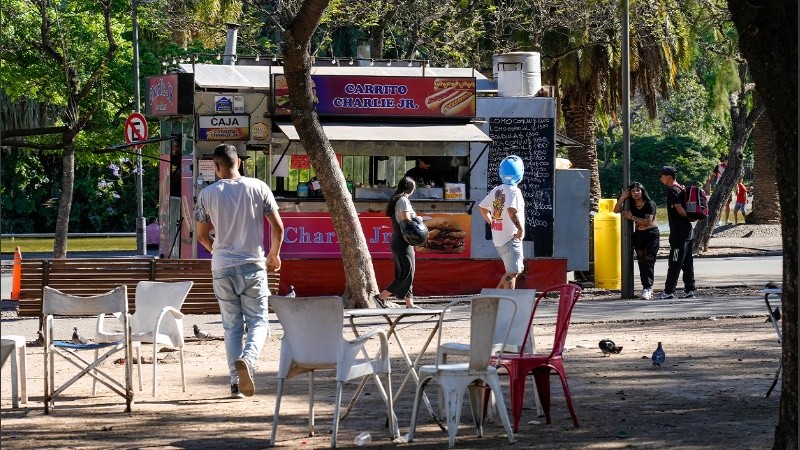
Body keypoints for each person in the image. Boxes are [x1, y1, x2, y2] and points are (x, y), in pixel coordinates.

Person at [193, 143, 284, 399]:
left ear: (218, 167)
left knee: (232, 326)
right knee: (259, 322)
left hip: (222, 267)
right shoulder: (259, 187)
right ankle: (249, 360)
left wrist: (216, 250)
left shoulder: (208, 194)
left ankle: (235, 382)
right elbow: (278, 227)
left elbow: (201, 236)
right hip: (253, 265)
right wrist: (274, 255)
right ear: (239, 163)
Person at [478, 155, 525, 289]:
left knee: (512, 271)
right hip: (511, 237)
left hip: (499, 238)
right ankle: (496, 299)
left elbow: (482, 207)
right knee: (513, 271)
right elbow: (511, 210)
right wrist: (520, 229)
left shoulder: (497, 190)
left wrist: (491, 222)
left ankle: (507, 302)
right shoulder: (514, 191)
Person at [374, 177, 419, 309]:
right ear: (410, 188)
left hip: (399, 239)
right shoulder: (403, 200)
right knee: (406, 273)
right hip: (403, 239)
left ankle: (409, 303)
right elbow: (406, 219)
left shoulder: (396, 200)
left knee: (407, 272)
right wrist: (418, 219)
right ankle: (381, 297)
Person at [614, 182, 659, 300]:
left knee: (649, 260)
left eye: (638, 190)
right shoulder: (631, 204)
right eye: (633, 191)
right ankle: (645, 287)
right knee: (641, 261)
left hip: (651, 235)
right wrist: (623, 197)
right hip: (639, 235)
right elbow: (616, 210)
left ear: (642, 191)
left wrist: (632, 217)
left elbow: (647, 221)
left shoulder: (650, 204)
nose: (635, 193)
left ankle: (648, 288)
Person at [658, 166, 695, 300]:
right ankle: (689, 290)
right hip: (688, 232)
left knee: (674, 262)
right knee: (687, 262)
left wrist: (686, 216)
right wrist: (690, 218)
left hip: (679, 234)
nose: (660, 178)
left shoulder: (672, 190)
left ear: (669, 177)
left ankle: (669, 291)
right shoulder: (680, 188)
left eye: (662, 176)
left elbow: (679, 209)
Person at [708, 156, 732, 225]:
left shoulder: (731, 167)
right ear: (724, 160)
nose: (728, 162)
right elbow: (713, 175)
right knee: (719, 203)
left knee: (727, 204)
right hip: (719, 186)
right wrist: (708, 183)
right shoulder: (718, 166)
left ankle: (727, 220)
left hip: (728, 187)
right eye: (727, 160)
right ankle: (719, 220)